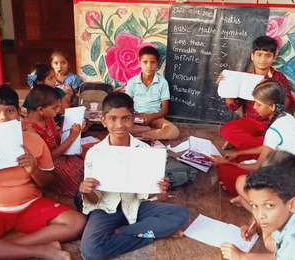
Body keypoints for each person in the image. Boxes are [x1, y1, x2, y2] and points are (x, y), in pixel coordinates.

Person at [0, 85, 84, 260]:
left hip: (29, 205)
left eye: (10, 111)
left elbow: (49, 181)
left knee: (77, 222)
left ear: (19, 114)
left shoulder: (33, 140)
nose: (4, 117)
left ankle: (3, 248)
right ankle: (41, 250)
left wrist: (33, 170)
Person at [79, 92, 190, 259]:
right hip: (106, 208)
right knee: (91, 251)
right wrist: (85, 190)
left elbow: (150, 194)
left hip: (136, 205)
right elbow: (94, 200)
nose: (119, 125)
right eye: (112, 119)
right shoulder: (95, 153)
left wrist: (159, 189)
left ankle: (123, 231)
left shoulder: (144, 151)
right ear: (103, 121)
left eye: (125, 118)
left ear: (133, 119)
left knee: (181, 214)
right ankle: (149, 233)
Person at [212, 81, 295, 197]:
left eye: (258, 104)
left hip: (286, 177)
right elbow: (265, 148)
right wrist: (238, 154)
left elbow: (257, 166)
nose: (254, 107)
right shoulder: (286, 116)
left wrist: (226, 163)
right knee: (244, 147)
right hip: (288, 164)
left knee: (226, 171)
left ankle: (241, 190)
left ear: (272, 106)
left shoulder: (274, 129)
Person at [217, 36, 295, 156]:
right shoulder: (244, 76)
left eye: (268, 56)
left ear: (274, 58)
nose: (263, 59)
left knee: (280, 134)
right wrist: (227, 86)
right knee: (227, 130)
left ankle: (246, 146)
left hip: (272, 123)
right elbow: (234, 106)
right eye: (259, 55)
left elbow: (289, 106)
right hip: (250, 121)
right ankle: (267, 148)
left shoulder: (279, 78)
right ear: (252, 56)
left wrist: (272, 87)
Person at [220, 167, 295, 260]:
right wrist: (243, 256)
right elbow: (281, 256)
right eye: (254, 206)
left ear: (292, 204)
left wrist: (242, 257)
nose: (260, 215)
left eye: (269, 206)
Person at [23, 84, 93, 197]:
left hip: (59, 154)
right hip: (47, 165)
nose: (59, 109)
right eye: (54, 108)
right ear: (41, 109)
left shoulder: (48, 118)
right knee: (74, 176)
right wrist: (71, 138)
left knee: (90, 156)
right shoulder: (30, 131)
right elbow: (48, 157)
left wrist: (70, 130)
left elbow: (56, 140)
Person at [125, 46, 179, 140]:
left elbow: (165, 109)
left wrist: (151, 118)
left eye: (152, 62)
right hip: (136, 117)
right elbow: (126, 106)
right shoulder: (132, 82)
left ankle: (140, 134)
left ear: (157, 64)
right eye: (145, 62)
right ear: (139, 63)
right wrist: (134, 115)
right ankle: (150, 131)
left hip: (156, 117)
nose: (149, 66)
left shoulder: (162, 83)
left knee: (173, 131)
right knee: (118, 127)